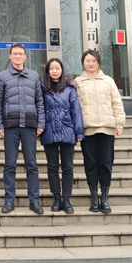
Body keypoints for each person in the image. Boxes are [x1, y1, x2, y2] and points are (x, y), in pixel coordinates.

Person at [0, 43, 45, 214]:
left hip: (30, 125)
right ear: (10, 56)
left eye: (20, 54)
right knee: (10, 165)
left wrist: (41, 123)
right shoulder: (2, 76)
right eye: (15, 53)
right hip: (10, 126)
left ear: (25, 56)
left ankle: (34, 201)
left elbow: (39, 101)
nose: (17, 56)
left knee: (32, 165)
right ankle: (9, 200)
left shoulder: (34, 76)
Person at [74, 49, 126, 214]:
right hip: (87, 129)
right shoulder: (78, 82)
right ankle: (94, 198)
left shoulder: (108, 81)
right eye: (88, 60)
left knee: (105, 163)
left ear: (98, 63)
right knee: (90, 164)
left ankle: (104, 197)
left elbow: (117, 103)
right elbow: (75, 107)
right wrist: (76, 129)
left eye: (94, 61)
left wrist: (119, 124)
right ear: (83, 62)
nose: (91, 63)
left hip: (107, 128)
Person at [40, 58, 84, 214]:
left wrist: (79, 131)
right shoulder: (42, 88)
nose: (54, 71)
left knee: (67, 167)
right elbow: (39, 109)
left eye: (57, 68)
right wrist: (39, 128)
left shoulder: (70, 89)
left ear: (61, 70)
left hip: (67, 130)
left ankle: (67, 199)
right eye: (51, 68)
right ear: (48, 71)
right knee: (52, 167)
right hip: (49, 129)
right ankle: (56, 198)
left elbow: (76, 111)